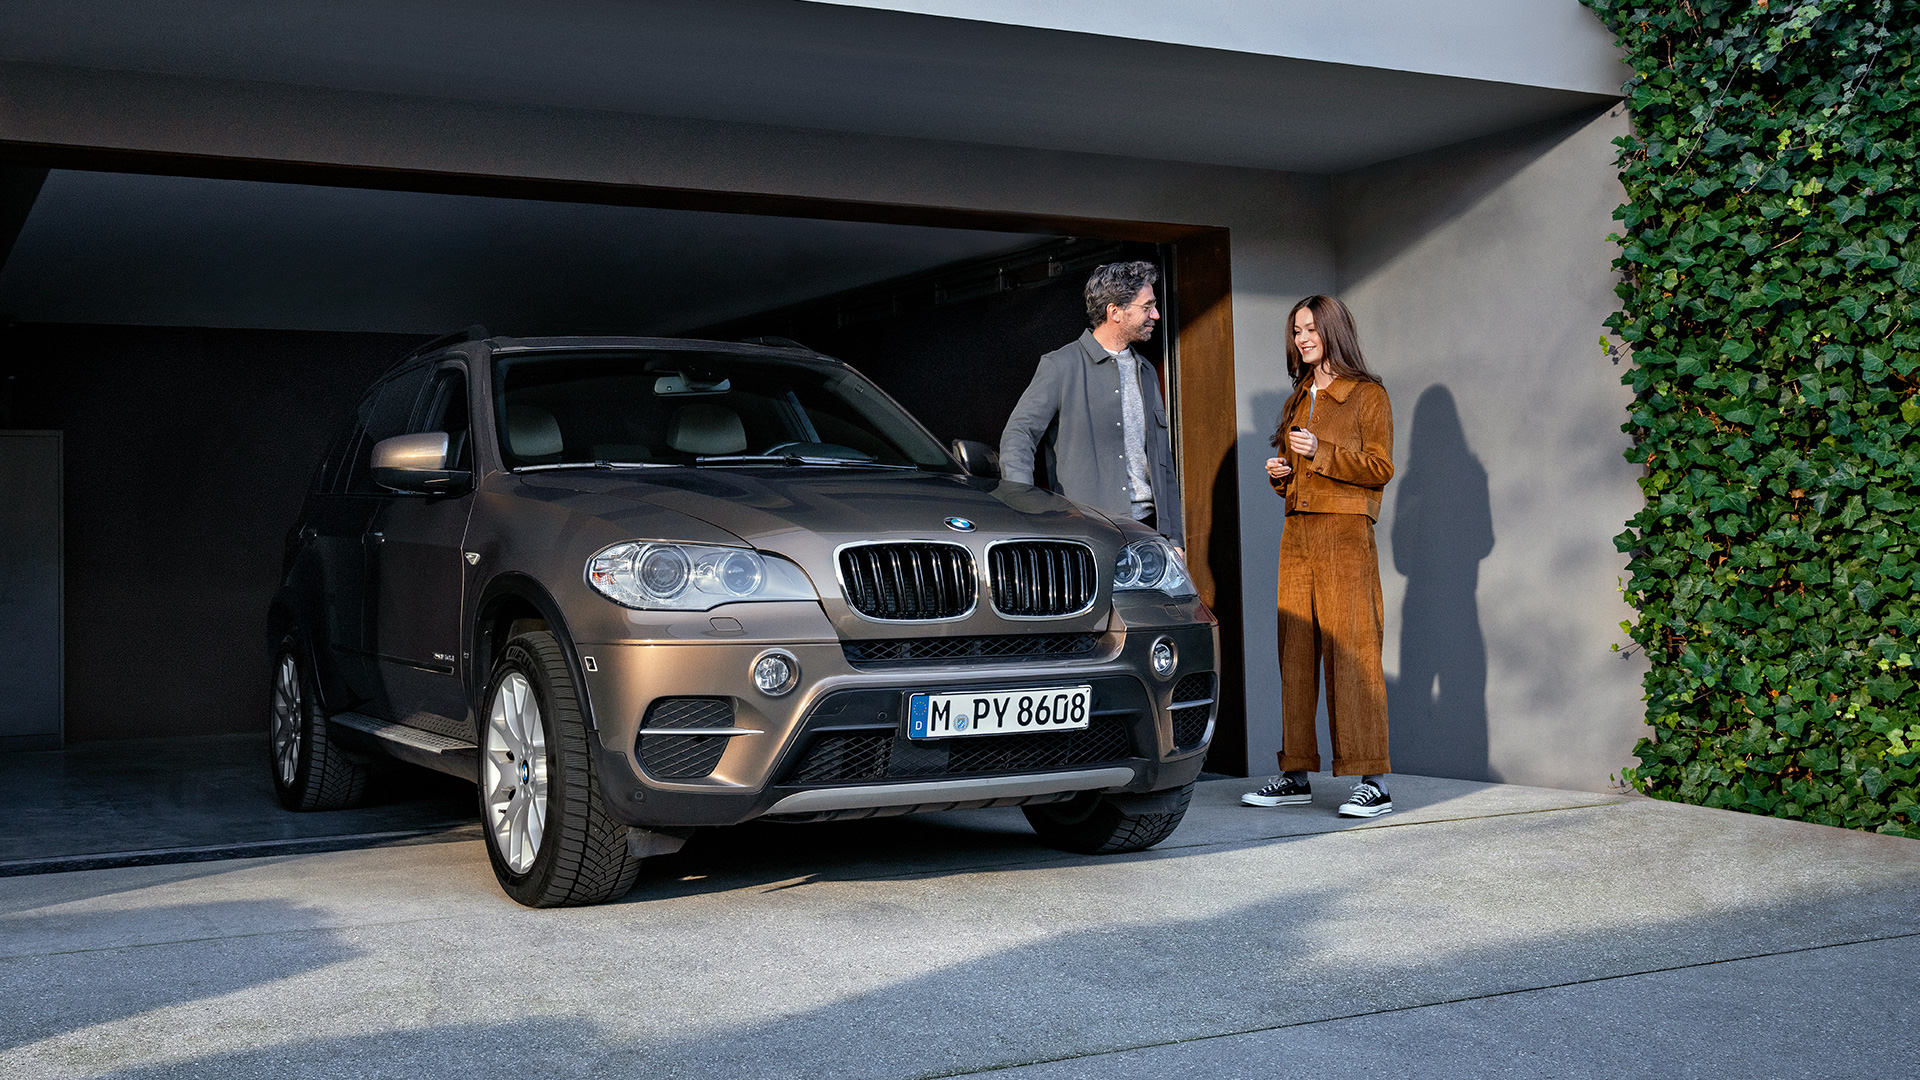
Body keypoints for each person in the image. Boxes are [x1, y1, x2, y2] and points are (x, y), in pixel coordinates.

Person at [1242, 295, 1396, 817]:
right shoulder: (1299, 395)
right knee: (1296, 653)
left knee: (1353, 652)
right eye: (1296, 331)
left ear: (1333, 331)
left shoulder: (1367, 395)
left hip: (1346, 534)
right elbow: (1296, 471)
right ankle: (1295, 773)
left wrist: (1319, 454)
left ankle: (1372, 779)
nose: (1302, 338)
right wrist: (1280, 475)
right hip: (1298, 535)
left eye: (1310, 329)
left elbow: (1379, 468)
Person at [999, 261, 1184, 552]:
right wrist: (1024, 504)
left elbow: (1163, 463)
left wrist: (1174, 540)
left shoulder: (1146, 371)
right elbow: (1018, 435)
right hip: (1086, 533)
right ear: (1115, 312)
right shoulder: (1060, 365)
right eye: (1147, 307)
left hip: (1149, 534)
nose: (1156, 315)